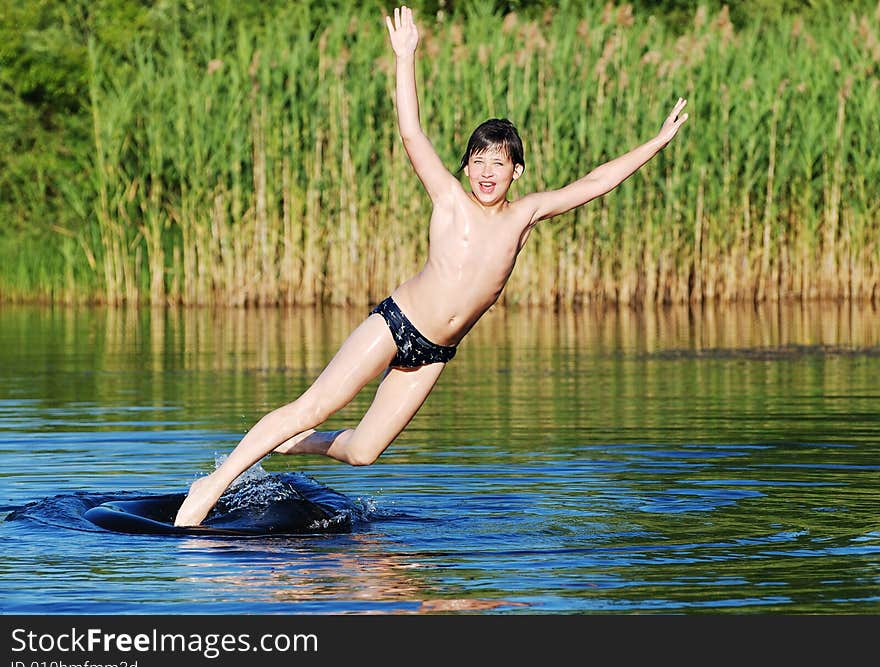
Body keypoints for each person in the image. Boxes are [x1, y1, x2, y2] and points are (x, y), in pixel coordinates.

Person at [173, 5, 688, 526]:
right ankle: (211, 486)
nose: (486, 173)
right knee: (314, 403)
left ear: (517, 171)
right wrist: (405, 57)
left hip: (436, 352)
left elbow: (596, 180)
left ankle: (298, 445)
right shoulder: (449, 198)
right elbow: (411, 132)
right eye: (478, 161)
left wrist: (656, 142)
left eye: (498, 164)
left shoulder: (524, 216)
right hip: (396, 323)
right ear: (467, 166)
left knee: (363, 451)